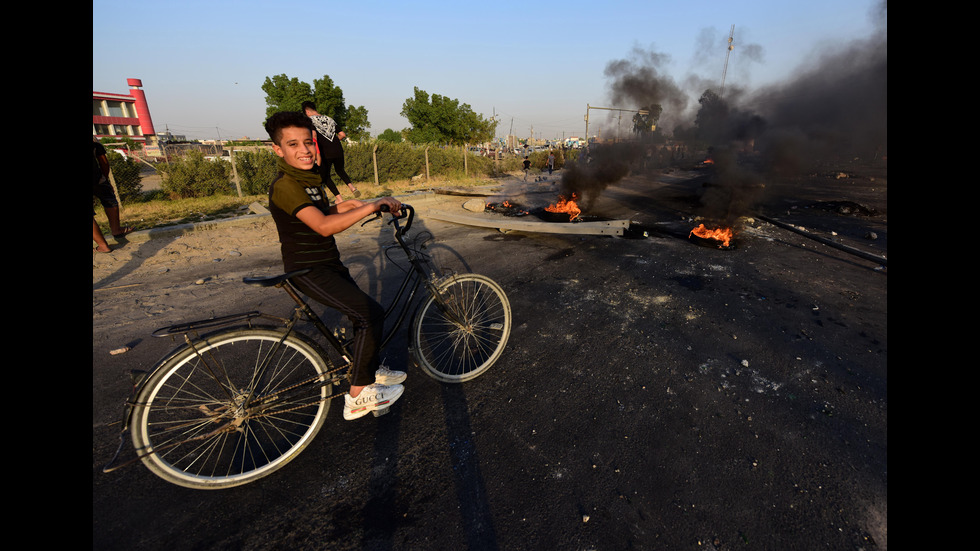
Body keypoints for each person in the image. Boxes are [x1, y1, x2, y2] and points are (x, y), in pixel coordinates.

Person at [263, 111, 406, 420]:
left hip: (328, 262)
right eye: (292, 144)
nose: (304, 150)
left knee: (361, 314)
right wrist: (368, 206)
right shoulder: (286, 184)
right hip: (308, 269)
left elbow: (318, 211)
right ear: (278, 150)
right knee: (370, 314)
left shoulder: (307, 180)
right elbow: (324, 226)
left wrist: (345, 205)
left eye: (308, 142)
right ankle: (358, 396)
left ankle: (366, 370)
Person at [301, 101, 359, 203]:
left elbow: (314, 135)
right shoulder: (329, 118)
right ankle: (352, 188)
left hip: (324, 152)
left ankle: (339, 199)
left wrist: (314, 151)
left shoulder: (309, 120)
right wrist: (334, 142)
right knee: (340, 170)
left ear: (307, 111)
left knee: (325, 176)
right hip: (338, 149)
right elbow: (342, 134)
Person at [93, 138, 133, 253]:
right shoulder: (94, 142)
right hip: (97, 178)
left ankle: (103, 245)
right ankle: (116, 230)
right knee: (109, 200)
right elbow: (104, 162)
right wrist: (104, 178)